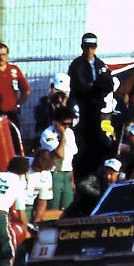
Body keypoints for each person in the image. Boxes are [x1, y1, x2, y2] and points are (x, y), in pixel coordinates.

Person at [68, 32, 114, 180]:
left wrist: (96, 88)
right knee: (82, 143)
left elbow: (109, 84)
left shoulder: (100, 64)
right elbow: (79, 86)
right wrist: (96, 87)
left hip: (98, 109)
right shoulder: (77, 64)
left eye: (92, 47)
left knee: (99, 141)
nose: (89, 50)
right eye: (87, 47)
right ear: (82, 47)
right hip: (83, 109)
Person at [0, 156, 29, 266]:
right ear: (23, 172)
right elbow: (21, 213)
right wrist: (26, 229)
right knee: (9, 253)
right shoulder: (18, 183)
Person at [40, 107, 78, 211]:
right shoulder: (47, 133)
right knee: (53, 208)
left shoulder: (70, 132)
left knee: (67, 207)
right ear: (56, 122)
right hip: (54, 173)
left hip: (67, 174)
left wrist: (72, 180)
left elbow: (70, 158)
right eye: (63, 124)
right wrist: (62, 136)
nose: (66, 127)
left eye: (68, 124)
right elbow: (59, 154)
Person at [0, 42, 31, 127]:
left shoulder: (14, 70)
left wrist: (18, 104)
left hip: (11, 113)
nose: (1, 57)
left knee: (13, 137)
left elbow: (26, 90)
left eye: (4, 54)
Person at [34, 73, 71, 137]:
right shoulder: (43, 105)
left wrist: (63, 106)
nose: (59, 96)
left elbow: (69, 123)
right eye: (57, 90)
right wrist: (50, 101)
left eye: (62, 92)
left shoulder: (71, 105)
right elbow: (41, 122)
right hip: (46, 136)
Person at [24, 149, 55, 224]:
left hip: (28, 207)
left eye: (42, 169)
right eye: (38, 167)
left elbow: (43, 201)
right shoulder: (21, 163)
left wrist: (36, 222)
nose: (39, 170)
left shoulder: (47, 175)